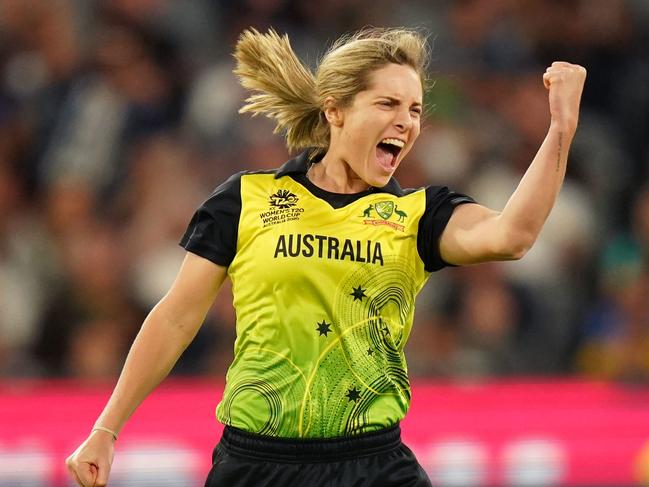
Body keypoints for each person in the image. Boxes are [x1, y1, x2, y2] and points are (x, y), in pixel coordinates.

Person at [66, 27, 586, 487]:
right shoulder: (245, 199)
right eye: (387, 104)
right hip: (256, 463)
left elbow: (512, 236)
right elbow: (177, 316)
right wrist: (106, 430)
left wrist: (560, 128)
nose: (405, 121)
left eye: (415, 109)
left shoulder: (417, 214)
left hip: (373, 463)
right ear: (335, 110)